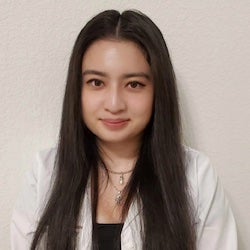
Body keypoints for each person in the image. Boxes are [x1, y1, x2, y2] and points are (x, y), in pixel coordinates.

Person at [11, 9, 237, 250]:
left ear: (158, 91)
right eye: (96, 83)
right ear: (78, 90)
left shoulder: (196, 176)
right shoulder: (45, 174)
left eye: (134, 84)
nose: (114, 104)